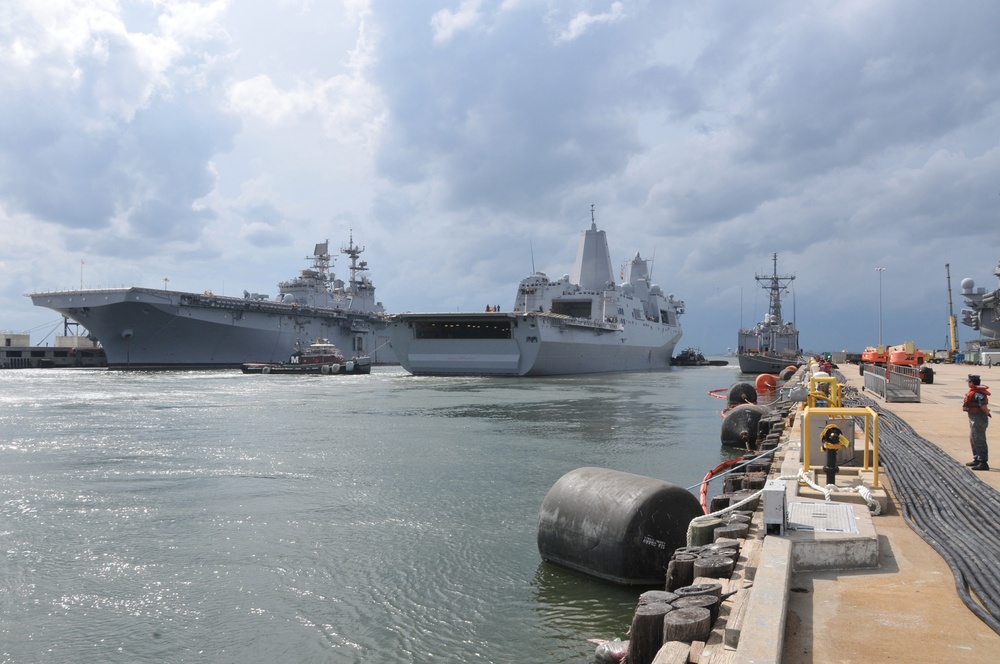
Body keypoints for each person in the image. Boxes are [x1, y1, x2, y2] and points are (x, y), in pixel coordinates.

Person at [963, 374, 991, 471]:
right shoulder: (973, 392)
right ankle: (977, 458)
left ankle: (983, 462)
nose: (968, 383)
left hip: (979, 419)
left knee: (979, 440)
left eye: (969, 382)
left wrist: (987, 412)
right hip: (973, 418)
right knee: (973, 439)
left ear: (972, 383)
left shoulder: (978, 393)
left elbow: (983, 406)